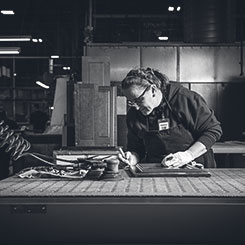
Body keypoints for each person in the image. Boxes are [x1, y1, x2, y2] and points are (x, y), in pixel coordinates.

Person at [118, 67, 222, 168]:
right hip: (157, 170)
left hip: (197, 167)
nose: (135, 107)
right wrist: (131, 158)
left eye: (139, 100)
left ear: (153, 90)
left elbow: (213, 130)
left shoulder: (184, 99)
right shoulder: (134, 114)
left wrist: (188, 155)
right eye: (131, 102)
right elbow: (136, 149)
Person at [0, 109, 19, 180]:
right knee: (5, 162)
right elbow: (17, 133)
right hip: (6, 146)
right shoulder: (11, 122)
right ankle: (3, 176)